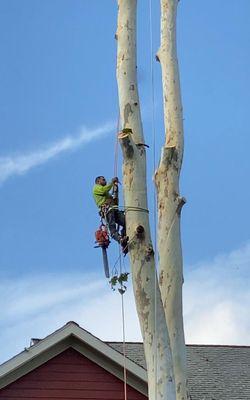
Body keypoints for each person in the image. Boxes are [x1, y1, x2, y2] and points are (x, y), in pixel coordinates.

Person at [93, 176, 128, 253]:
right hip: (107, 210)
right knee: (112, 228)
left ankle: (124, 237)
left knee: (126, 222)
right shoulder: (96, 188)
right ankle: (120, 240)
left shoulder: (106, 194)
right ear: (98, 181)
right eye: (103, 180)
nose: (105, 181)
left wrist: (115, 188)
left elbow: (114, 199)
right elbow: (103, 190)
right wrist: (112, 182)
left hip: (113, 209)